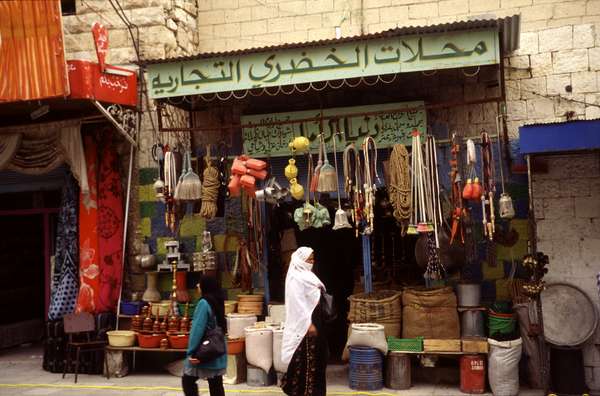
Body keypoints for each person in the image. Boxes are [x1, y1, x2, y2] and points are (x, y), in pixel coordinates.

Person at [281, 247, 328, 396]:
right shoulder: (296, 277)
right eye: (309, 259)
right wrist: (308, 324)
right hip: (305, 326)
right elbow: (298, 303)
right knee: (308, 362)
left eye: (313, 259)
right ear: (301, 260)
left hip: (316, 321)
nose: (312, 262)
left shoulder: (307, 275)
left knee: (319, 359)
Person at [182, 275, 227, 396]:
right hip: (217, 350)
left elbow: (197, 329)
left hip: (204, 352)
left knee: (187, 381)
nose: (197, 285)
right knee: (216, 384)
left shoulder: (203, 303)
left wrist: (191, 351)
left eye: (200, 283)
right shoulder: (218, 301)